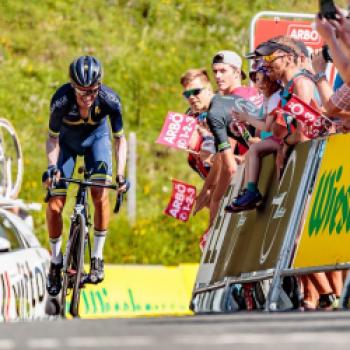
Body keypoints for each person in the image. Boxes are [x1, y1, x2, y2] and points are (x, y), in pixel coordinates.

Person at [42, 56, 129, 296]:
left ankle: (97, 257)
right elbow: (52, 138)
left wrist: (120, 174)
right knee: (55, 202)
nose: (89, 96)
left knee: (100, 193)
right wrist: (52, 167)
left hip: (97, 142)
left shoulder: (110, 100)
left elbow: (120, 140)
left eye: (93, 90)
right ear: (73, 85)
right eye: (83, 91)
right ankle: (56, 260)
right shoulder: (61, 100)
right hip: (67, 144)